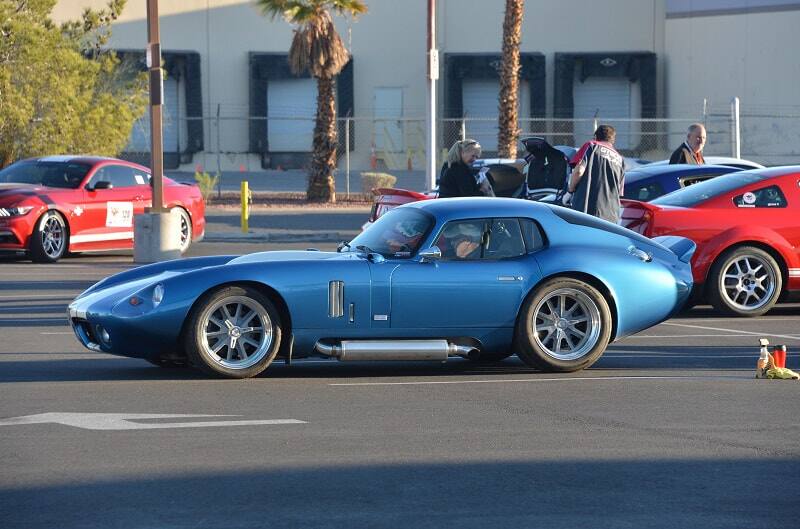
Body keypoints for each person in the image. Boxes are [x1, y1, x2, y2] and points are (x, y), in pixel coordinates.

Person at [565, 124, 625, 223]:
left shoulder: (592, 146)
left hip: (587, 211)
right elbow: (619, 192)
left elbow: (579, 171)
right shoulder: (621, 160)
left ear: (596, 137)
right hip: (611, 217)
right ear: (612, 141)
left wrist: (569, 192)